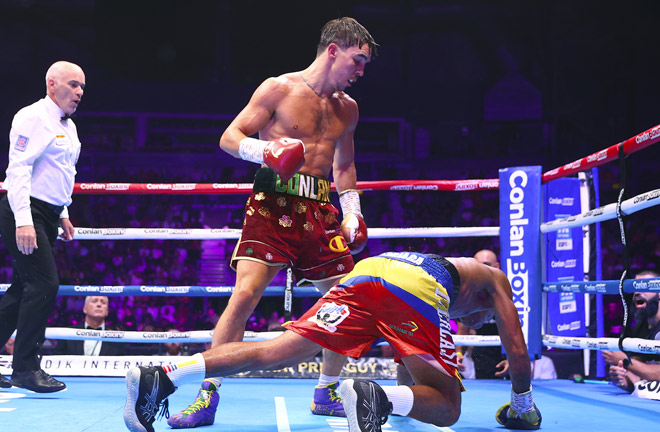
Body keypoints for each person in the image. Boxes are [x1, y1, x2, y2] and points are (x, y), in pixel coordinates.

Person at [166, 17, 377, 429]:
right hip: (273, 201)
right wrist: (266, 151)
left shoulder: (347, 109)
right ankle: (206, 395)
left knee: (346, 301)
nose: (361, 72)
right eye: (357, 60)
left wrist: (352, 210)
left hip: (320, 210)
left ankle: (326, 390)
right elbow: (229, 137)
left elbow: (345, 164)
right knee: (244, 296)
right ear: (333, 50)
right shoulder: (278, 88)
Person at [124, 251, 542, 432]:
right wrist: (523, 404)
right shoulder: (495, 282)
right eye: (484, 318)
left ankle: (163, 375)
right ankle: (371, 399)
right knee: (449, 408)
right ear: (488, 303)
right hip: (413, 285)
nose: (479, 321)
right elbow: (519, 353)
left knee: (277, 349)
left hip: (368, 272)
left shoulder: (457, 279)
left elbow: (407, 354)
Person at [0, 61, 85, 393]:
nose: (79, 93)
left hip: (48, 214)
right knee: (44, 284)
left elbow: (62, 173)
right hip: (25, 211)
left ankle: (21, 367)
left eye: (82, 88)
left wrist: (63, 213)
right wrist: (24, 220)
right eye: (73, 85)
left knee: (22, 289)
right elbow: (18, 169)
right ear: (52, 84)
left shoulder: (70, 126)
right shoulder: (32, 117)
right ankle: (24, 369)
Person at [603, 270, 660, 397]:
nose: (637, 292)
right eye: (635, 287)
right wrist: (623, 378)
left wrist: (625, 361)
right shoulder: (640, 328)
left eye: (644, 287)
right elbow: (638, 373)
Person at [456, 249, 507, 379]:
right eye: (478, 265)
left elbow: (519, 327)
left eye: (486, 264)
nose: (482, 269)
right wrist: (458, 352)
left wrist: (513, 357)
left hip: (508, 352)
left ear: (497, 266)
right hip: (483, 356)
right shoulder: (467, 292)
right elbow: (462, 328)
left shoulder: (508, 289)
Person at [54, 296, 126, 356]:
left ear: (107, 311)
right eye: (94, 301)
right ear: (85, 309)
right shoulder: (68, 334)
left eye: (103, 302)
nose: (99, 305)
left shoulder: (116, 338)